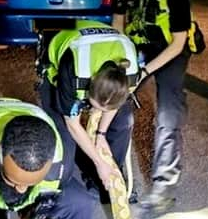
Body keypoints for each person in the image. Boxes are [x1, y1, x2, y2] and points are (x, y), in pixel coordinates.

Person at [112, 0, 194, 219]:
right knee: (115, 106)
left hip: (170, 49)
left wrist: (145, 72)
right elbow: (118, 22)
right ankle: (116, 180)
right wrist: (122, 63)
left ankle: (164, 189)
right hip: (138, 46)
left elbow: (179, 42)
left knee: (168, 116)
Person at [38, 20, 139, 199]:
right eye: (94, 105)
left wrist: (101, 134)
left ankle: (105, 178)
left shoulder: (129, 72)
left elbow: (113, 104)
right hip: (59, 70)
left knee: (124, 120)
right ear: (90, 82)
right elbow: (73, 123)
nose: (95, 110)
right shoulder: (75, 67)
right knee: (64, 143)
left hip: (104, 50)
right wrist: (99, 161)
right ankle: (61, 185)